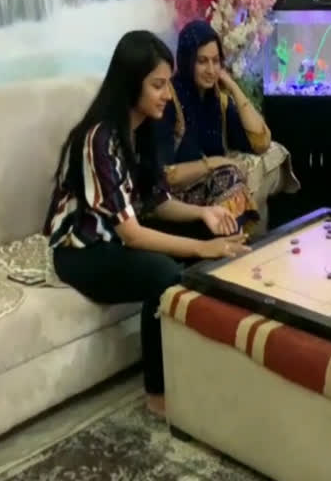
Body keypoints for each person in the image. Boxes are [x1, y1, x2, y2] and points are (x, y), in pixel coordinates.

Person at [43, 30, 251, 416]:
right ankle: (157, 394)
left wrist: (203, 215)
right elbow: (133, 234)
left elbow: (157, 201)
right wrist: (202, 248)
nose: (167, 95)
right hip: (82, 251)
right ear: (129, 84)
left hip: (119, 237)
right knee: (164, 274)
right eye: (158, 85)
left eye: (168, 84)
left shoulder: (142, 131)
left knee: (212, 234)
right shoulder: (97, 140)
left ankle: (202, 358)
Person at [155, 19, 271, 230]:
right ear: (187, 61)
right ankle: (232, 247)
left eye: (216, 61)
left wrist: (233, 86)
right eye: (202, 61)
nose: (211, 70)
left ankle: (234, 245)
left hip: (210, 188)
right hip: (173, 196)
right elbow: (164, 175)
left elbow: (261, 141)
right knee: (228, 175)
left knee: (270, 155)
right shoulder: (168, 99)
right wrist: (214, 163)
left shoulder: (217, 100)